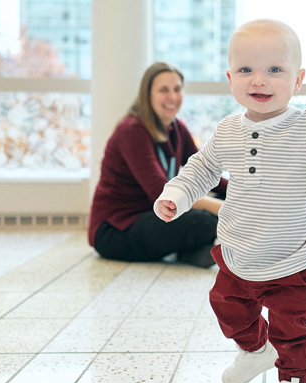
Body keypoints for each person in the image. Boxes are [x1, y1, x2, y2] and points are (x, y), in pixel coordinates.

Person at [154, 19, 306, 383]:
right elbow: (202, 169)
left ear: (298, 80)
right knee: (227, 307)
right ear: (230, 78)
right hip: (237, 252)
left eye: (275, 70)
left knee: (293, 330)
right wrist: (177, 194)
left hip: (292, 259)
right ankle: (254, 350)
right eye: (246, 70)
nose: (259, 80)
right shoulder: (229, 129)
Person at [88, 62, 227, 267]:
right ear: (148, 95)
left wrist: (241, 193)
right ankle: (189, 249)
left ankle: (190, 252)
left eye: (177, 89)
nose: (172, 96)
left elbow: (206, 174)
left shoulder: (177, 128)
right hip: (116, 230)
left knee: (219, 206)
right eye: (163, 90)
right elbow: (162, 193)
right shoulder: (132, 131)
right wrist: (225, 208)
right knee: (205, 220)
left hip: (153, 219)